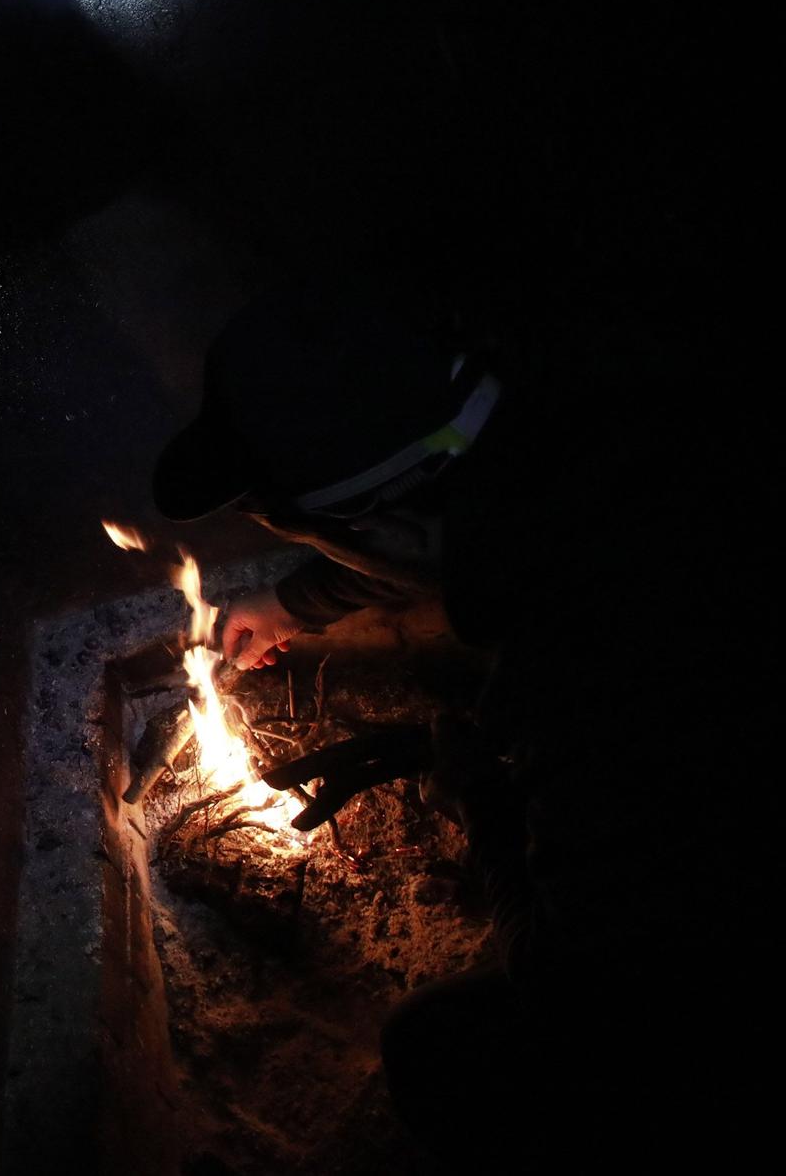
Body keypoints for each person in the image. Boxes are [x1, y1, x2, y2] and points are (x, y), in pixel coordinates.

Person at [151, 290, 736, 1169]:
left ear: (388, 525)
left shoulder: (588, 681)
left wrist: (487, 804)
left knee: (436, 1049)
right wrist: (295, 600)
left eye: (344, 542)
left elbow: (566, 976)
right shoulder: (593, 401)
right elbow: (446, 532)